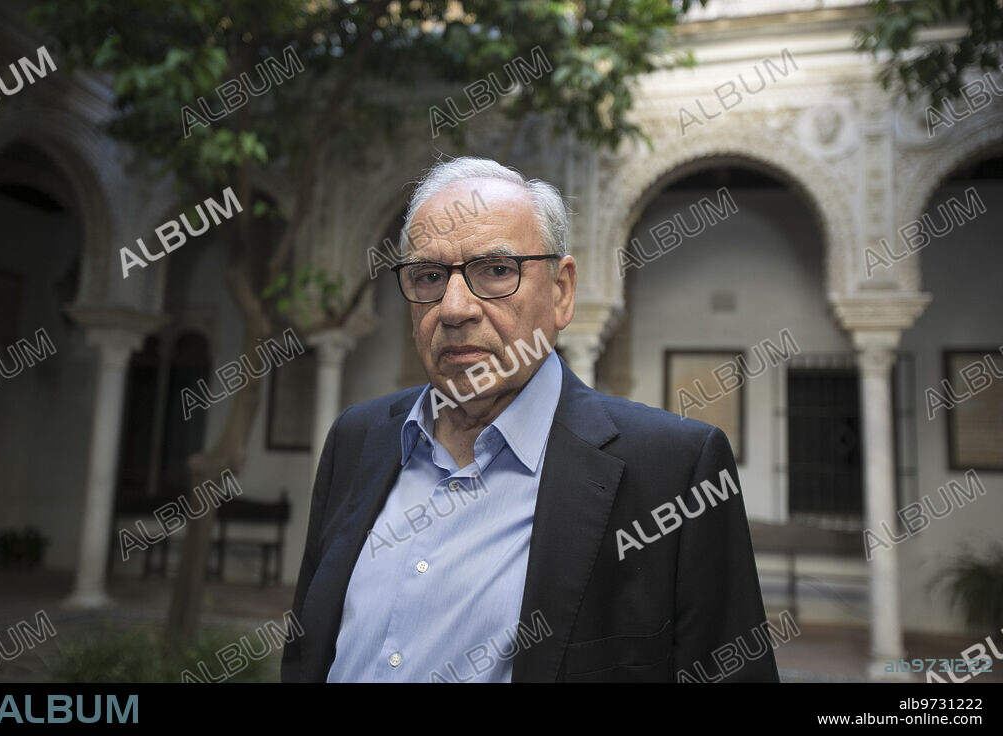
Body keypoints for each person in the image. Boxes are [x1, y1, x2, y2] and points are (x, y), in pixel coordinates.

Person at [282, 156, 778, 683]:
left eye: (496, 271)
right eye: (428, 276)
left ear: (561, 291)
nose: (453, 308)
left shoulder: (672, 472)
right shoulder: (357, 440)